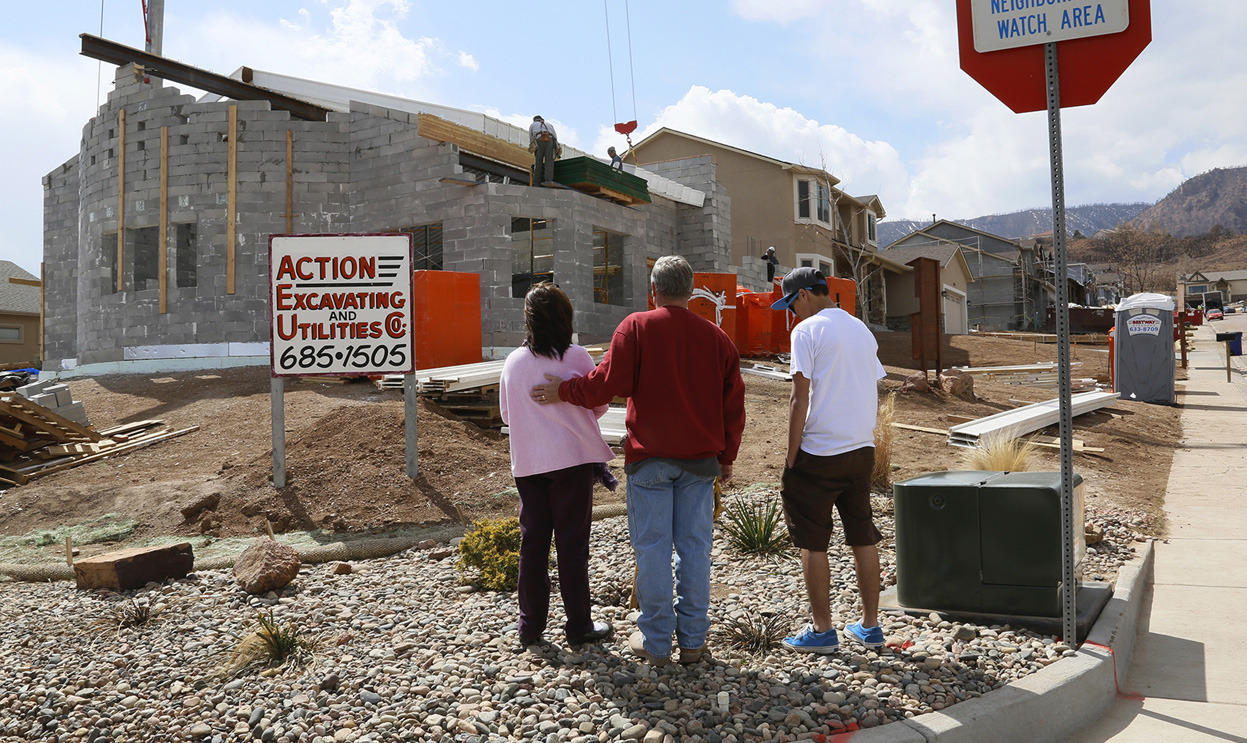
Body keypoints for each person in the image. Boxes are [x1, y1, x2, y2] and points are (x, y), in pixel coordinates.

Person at [532, 256, 746, 666]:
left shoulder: (636, 327)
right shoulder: (718, 339)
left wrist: (565, 391)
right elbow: (733, 406)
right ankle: (695, 642)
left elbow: (606, 384)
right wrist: (728, 459)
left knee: (652, 550)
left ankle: (656, 643)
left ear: (654, 290)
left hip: (650, 461)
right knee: (696, 550)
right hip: (700, 463)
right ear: (690, 292)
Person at [770, 267, 887, 653]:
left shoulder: (806, 331)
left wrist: (790, 458)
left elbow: (798, 398)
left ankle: (823, 631)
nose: (790, 312)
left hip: (819, 453)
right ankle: (870, 626)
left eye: (790, 303)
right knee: (862, 536)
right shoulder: (861, 329)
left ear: (803, 295)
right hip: (861, 450)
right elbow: (871, 384)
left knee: (813, 543)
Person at [499, 283, 615, 649]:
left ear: (529, 319)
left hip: (529, 464)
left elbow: (506, 414)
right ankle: (579, 624)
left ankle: (529, 627)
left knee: (533, 545)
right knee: (572, 545)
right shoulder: (578, 356)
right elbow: (597, 406)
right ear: (566, 318)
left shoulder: (513, 362)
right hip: (573, 461)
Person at [529, 115, 559, 186]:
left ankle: (536, 183)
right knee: (549, 162)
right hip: (550, 140)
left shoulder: (533, 125)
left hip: (539, 140)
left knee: (538, 162)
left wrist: (533, 147)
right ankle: (548, 181)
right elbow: (555, 137)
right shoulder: (549, 125)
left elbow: (531, 138)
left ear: (535, 120)